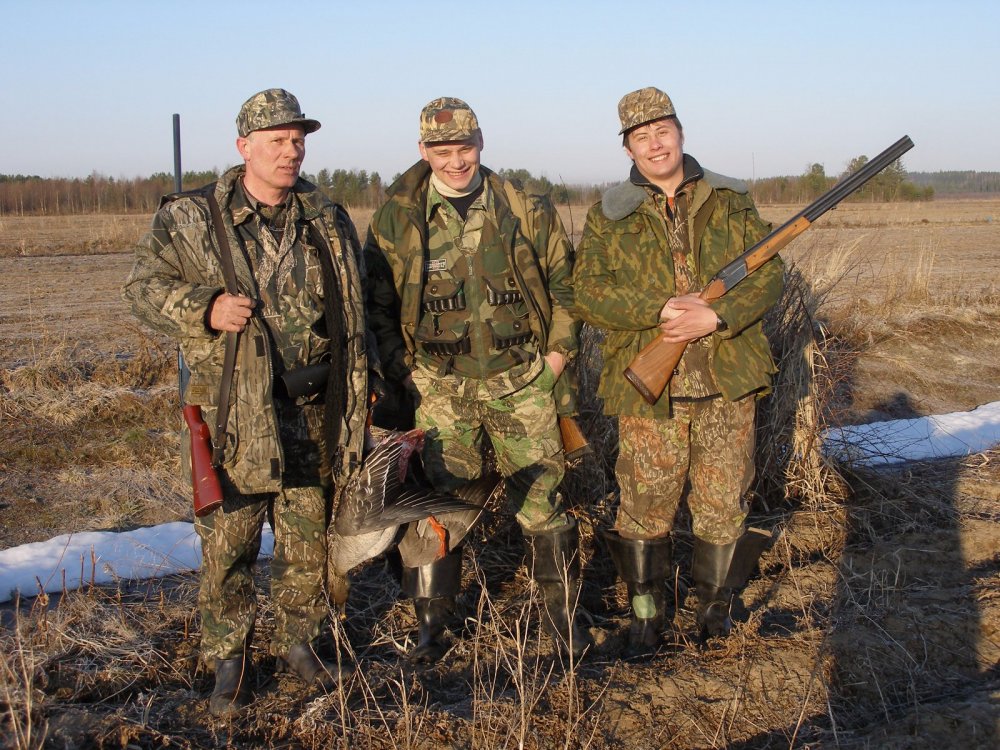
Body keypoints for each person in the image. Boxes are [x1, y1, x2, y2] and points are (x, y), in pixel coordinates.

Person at [123, 88, 369, 716]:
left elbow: (356, 305)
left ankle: (299, 643)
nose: (291, 152)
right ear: (244, 147)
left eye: (297, 141)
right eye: (276, 141)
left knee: (306, 538)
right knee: (230, 542)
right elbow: (141, 289)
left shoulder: (326, 217)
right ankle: (228, 661)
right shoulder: (191, 217)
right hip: (235, 410)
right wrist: (204, 307)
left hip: (313, 408)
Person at [364, 97, 590, 663]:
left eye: (464, 148)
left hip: (522, 382)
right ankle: (432, 630)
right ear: (423, 151)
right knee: (438, 505)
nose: (455, 161)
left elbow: (567, 288)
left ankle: (563, 623)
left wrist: (555, 360)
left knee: (542, 500)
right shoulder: (398, 217)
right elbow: (377, 305)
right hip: (440, 390)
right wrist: (405, 369)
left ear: (481, 142)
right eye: (442, 151)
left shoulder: (524, 207)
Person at [573, 87, 784, 656]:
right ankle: (646, 620)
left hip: (726, 381)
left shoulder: (731, 199)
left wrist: (718, 315)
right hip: (650, 391)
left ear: (680, 133)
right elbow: (586, 293)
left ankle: (714, 616)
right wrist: (659, 309)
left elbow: (769, 274)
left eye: (662, 131)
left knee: (723, 503)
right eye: (641, 137)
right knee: (644, 507)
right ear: (628, 149)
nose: (655, 144)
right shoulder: (608, 213)